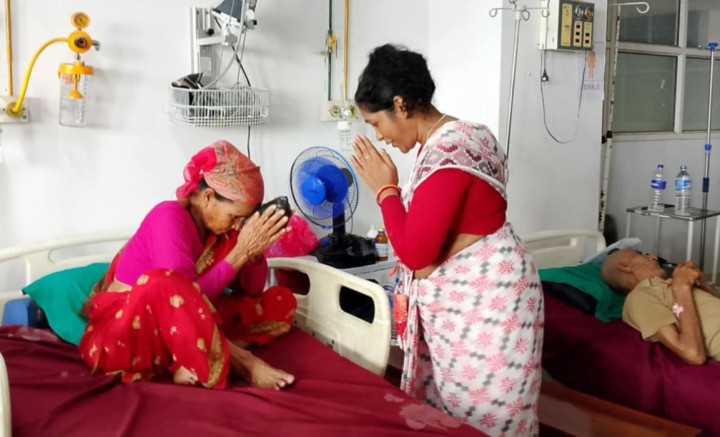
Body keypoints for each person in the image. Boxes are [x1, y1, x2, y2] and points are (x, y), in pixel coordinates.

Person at [349, 44, 543, 435]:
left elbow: (416, 253)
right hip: (482, 300)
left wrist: (385, 190)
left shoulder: (448, 153)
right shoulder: (467, 136)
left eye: (376, 123)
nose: (379, 136)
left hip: (486, 309)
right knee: (465, 416)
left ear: (400, 105)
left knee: (488, 420)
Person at [78, 140, 297, 390]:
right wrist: (240, 252)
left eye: (243, 219)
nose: (238, 225)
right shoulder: (168, 217)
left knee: (279, 300)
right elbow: (180, 297)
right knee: (162, 281)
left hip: (180, 325)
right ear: (208, 197)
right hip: (130, 331)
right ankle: (243, 362)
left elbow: (252, 291)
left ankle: (196, 353)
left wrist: (254, 254)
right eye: (235, 216)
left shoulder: (223, 229)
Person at [601, 248, 720, 365]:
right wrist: (681, 287)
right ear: (625, 266)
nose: (653, 257)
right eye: (641, 254)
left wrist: (702, 284)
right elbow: (692, 354)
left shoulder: (669, 284)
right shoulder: (639, 297)